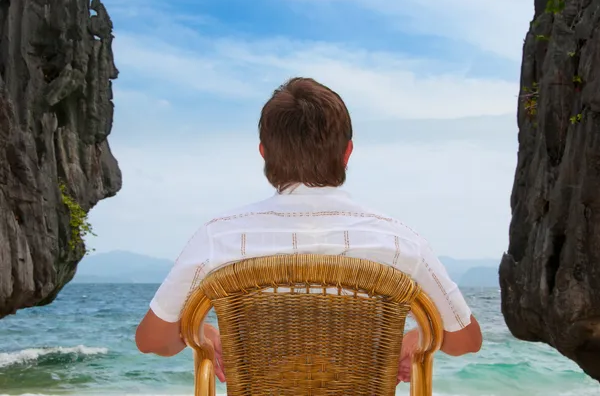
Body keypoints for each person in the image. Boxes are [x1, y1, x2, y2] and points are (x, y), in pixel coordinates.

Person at [135, 77, 482, 384]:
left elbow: (152, 341)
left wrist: (203, 333)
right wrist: (417, 337)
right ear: (347, 153)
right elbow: (466, 342)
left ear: (264, 154)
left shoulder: (218, 238)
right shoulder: (400, 242)